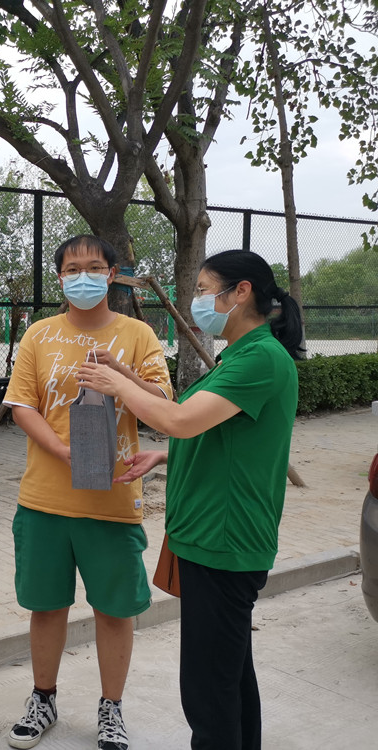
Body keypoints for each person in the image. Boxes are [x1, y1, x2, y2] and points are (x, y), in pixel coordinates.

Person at [77, 249, 302, 750]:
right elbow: (201, 421)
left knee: (208, 690)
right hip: (211, 535)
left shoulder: (261, 359)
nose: (197, 300)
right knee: (230, 675)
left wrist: (115, 384)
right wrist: (161, 449)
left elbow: (178, 420)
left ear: (241, 292)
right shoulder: (239, 355)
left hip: (224, 540)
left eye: (203, 290)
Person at [2, 235, 172, 750]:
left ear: (112, 274)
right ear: (59, 277)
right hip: (44, 500)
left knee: (115, 610)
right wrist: (61, 449)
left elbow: (163, 403)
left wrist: (120, 374)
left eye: (94, 267)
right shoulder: (39, 334)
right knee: (46, 606)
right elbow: (22, 405)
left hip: (113, 500)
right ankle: (43, 699)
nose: (83, 276)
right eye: (73, 268)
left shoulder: (138, 334)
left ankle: (111, 708)